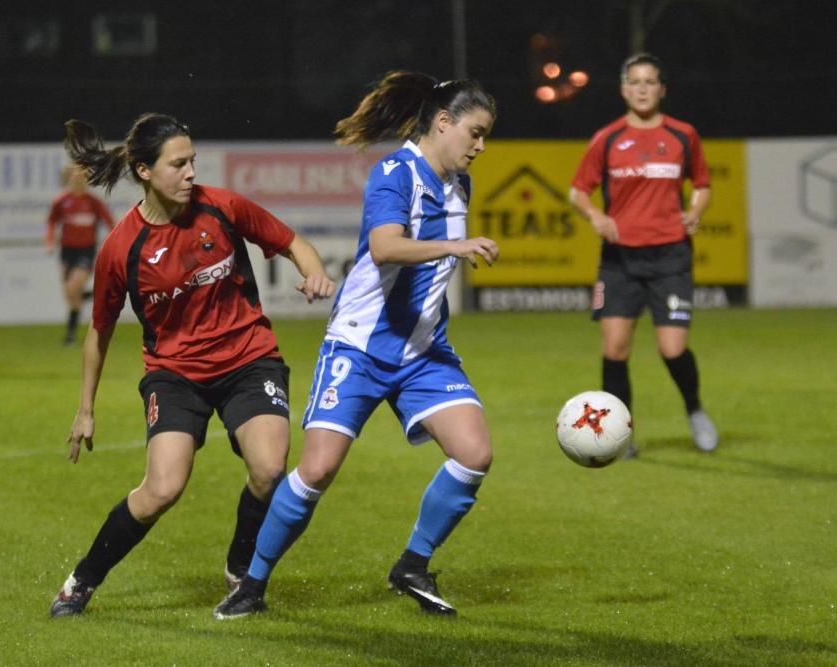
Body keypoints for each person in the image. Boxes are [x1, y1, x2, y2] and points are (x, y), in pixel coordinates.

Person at [214, 71, 499, 620]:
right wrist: (456, 244)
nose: (482, 146)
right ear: (443, 123)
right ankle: (252, 583)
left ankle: (412, 565)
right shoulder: (394, 173)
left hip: (423, 354)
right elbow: (386, 248)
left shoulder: (460, 183)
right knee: (317, 470)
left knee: (475, 453)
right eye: (476, 133)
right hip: (360, 349)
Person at [49, 112, 336, 618]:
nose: (189, 173)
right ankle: (81, 580)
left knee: (269, 470)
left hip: (249, 359)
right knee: (162, 489)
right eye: (177, 164)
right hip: (175, 374)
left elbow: (293, 243)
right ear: (144, 171)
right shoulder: (122, 247)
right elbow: (100, 330)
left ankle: (239, 566)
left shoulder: (223, 208)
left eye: (193, 161)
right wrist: (85, 408)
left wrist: (314, 275)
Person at [568, 52, 718, 455]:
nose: (642, 88)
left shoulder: (683, 135)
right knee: (615, 348)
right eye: (635, 81)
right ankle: (623, 433)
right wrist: (596, 216)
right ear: (623, 89)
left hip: (670, 256)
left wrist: (696, 211)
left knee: (672, 348)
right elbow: (578, 191)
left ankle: (695, 410)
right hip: (618, 261)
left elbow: (702, 183)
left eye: (650, 81)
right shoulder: (608, 138)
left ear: (662, 89)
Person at [45, 163, 115, 345]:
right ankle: (73, 329)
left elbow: (110, 222)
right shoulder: (61, 201)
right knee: (70, 294)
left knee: (73, 286)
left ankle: (70, 333)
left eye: (82, 178)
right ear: (69, 179)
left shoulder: (93, 202)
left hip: (86, 250)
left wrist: (116, 242)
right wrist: (50, 241)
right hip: (67, 251)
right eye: (75, 177)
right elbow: (52, 223)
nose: (79, 181)